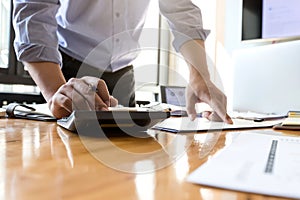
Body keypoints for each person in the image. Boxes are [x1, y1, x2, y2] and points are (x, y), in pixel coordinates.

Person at [12, 0, 232, 124]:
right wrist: (56, 93)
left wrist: (200, 77)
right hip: (67, 71)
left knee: (123, 164)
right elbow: (35, 11)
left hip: (123, 74)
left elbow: (181, 9)